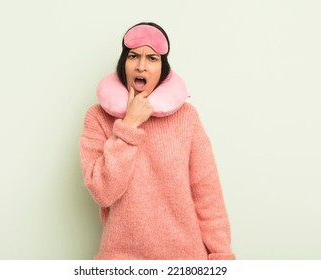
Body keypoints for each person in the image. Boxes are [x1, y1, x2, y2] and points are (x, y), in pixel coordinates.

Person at [79, 22, 235, 260]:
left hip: (186, 261)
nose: (141, 65)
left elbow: (208, 195)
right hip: (121, 261)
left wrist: (221, 257)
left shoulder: (187, 116)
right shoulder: (97, 117)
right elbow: (103, 192)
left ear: (163, 68)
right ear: (123, 63)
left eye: (152, 58)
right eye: (133, 56)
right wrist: (129, 125)